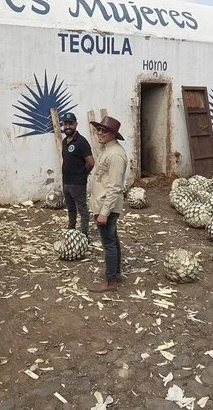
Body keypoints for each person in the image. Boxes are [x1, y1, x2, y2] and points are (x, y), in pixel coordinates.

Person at [87, 116, 127, 293]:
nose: (100, 133)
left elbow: (115, 187)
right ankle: (115, 273)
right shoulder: (106, 150)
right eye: (99, 129)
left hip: (106, 206)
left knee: (108, 243)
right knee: (112, 240)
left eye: (104, 130)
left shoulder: (116, 155)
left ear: (113, 134)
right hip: (101, 203)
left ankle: (110, 281)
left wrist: (104, 212)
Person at [60, 112, 94, 236]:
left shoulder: (82, 142)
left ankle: (84, 234)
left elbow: (91, 163)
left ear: (76, 124)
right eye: (65, 124)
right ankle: (71, 231)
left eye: (71, 124)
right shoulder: (64, 141)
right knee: (71, 209)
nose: (68, 126)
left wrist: (82, 174)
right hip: (66, 182)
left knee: (82, 209)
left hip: (78, 183)